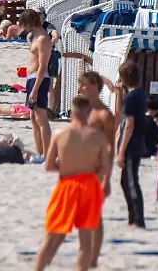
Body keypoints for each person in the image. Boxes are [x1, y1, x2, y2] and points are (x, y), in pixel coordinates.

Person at [33, 96, 110, 271]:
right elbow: (104, 168)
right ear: (88, 113)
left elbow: (49, 165)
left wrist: (66, 167)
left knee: (51, 235)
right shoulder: (98, 137)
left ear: (72, 112)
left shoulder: (61, 134)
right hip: (89, 186)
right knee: (85, 241)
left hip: (66, 185)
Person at [77, 71, 116, 267]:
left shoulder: (104, 114)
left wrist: (107, 177)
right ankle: (85, 250)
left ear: (94, 87)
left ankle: (93, 257)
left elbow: (110, 147)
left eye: (83, 85)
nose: (80, 88)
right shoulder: (81, 111)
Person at [116, 61, 147, 228]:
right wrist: (120, 92)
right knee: (126, 181)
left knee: (131, 182)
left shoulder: (131, 98)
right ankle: (132, 217)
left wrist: (121, 151)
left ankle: (138, 219)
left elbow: (129, 124)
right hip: (136, 143)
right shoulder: (139, 94)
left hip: (131, 144)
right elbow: (123, 111)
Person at [20, 9, 53, 160]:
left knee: (41, 119)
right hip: (31, 78)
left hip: (39, 80)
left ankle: (47, 154)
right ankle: (40, 154)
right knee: (33, 119)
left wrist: (34, 90)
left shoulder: (43, 39)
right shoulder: (35, 37)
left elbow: (43, 66)